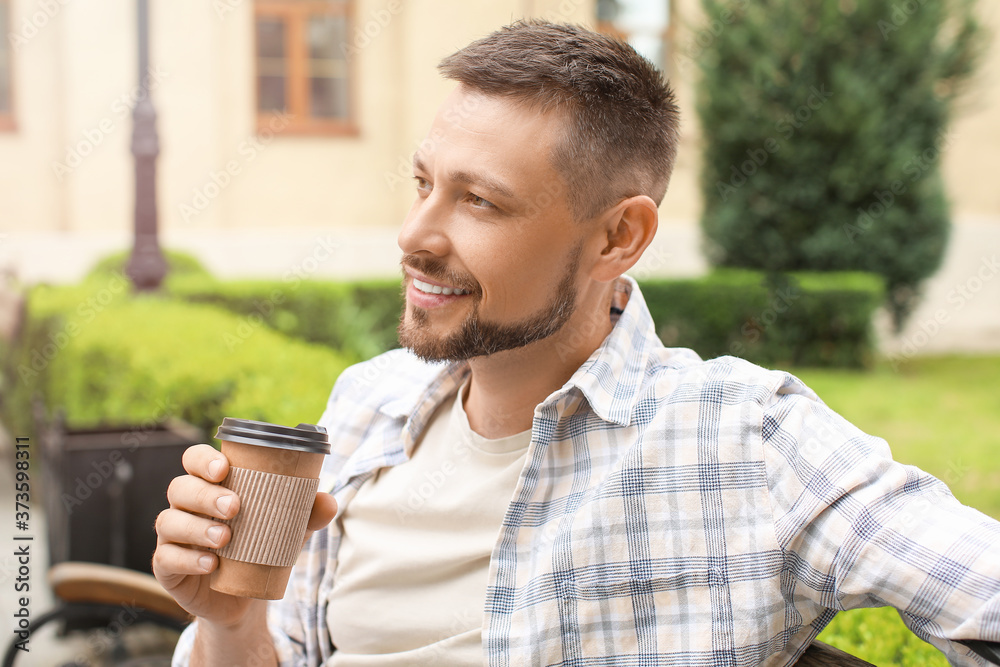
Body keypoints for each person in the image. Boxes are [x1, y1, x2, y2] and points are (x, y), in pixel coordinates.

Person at [155, 20, 1000, 667]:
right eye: (423, 184)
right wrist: (231, 621)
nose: (415, 234)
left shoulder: (745, 438)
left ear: (618, 238)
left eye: (479, 201)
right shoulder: (367, 404)